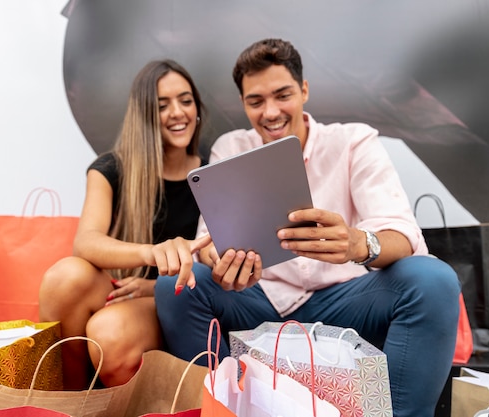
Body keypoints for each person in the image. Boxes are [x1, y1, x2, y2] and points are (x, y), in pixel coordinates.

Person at [154, 38, 460, 417]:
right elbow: (210, 239)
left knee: (433, 279)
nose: (270, 112)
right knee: (176, 286)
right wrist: (225, 261)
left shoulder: (353, 142)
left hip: (347, 300)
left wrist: (357, 244)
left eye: (282, 95)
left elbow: (401, 233)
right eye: (255, 101)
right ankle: (215, 409)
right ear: (243, 104)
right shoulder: (231, 147)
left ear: (304, 90)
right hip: (258, 300)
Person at [38, 59, 213, 389]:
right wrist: (151, 254)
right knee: (65, 276)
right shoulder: (109, 169)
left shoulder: (212, 171)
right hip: (119, 288)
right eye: (162, 105)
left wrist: (156, 285)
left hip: (173, 299)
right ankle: (71, 403)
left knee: (110, 331)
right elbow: (86, 242)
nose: (178, 112)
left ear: (197, 108)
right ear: (144, 115)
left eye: (185, 101)